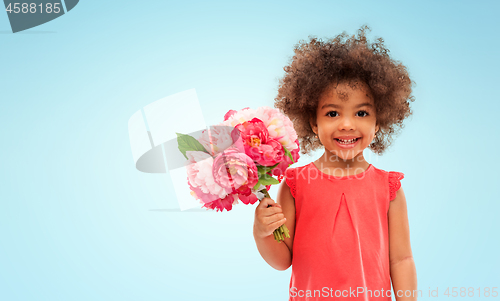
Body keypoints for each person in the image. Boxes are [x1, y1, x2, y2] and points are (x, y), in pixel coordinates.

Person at [253, 25, 418, 301]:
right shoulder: (296, 184)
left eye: (362, 112)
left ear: (378, 123)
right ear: (313, 123)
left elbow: (401, 260)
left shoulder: (389, 188)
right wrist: (262, 232)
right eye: (332, 113)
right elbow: (283, 260)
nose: (346, 124)